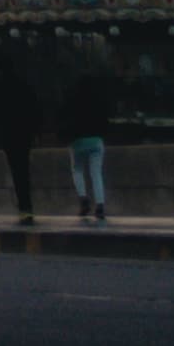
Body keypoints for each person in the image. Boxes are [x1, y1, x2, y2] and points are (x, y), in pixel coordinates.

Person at [0, 53, 41, 229]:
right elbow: (34, 108)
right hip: (24, 134)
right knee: (24, 171)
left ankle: (24, 208)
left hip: (8, 135)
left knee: (17, 171)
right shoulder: (24, 85)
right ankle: (27, 207)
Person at [62, 60, 118, 228]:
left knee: (77, 169)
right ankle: (100, 205)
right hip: (96, 139)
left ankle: (83, 200)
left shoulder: (72, 96)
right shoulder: (98, 97)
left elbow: (66, 116)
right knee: (96, 173)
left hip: (78, 140)